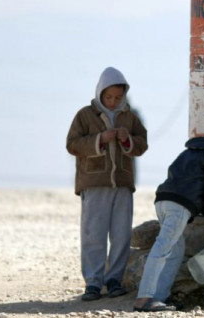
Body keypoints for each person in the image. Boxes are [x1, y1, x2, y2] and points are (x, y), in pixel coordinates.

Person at [133, 129, 204, 312]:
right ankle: (143, 300)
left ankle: (160, 297)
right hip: (179, 206)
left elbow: (197, 186)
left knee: (176, 250)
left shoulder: (191, 150)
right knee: (163, 248)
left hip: (163, 200)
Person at [66, 66, 148, 301]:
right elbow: (72, 144)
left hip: (122, 185)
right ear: (100, 93)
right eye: (108, 97)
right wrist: (100, 139)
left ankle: (114, 280)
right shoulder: (84, 115)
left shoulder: (130, 117)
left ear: (124, 96)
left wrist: (127, 139)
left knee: (122, 235)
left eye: (117, 98)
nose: (113, 102)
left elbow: (142, 144)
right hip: (94, 184)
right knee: (94, 234)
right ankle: (93, 282)